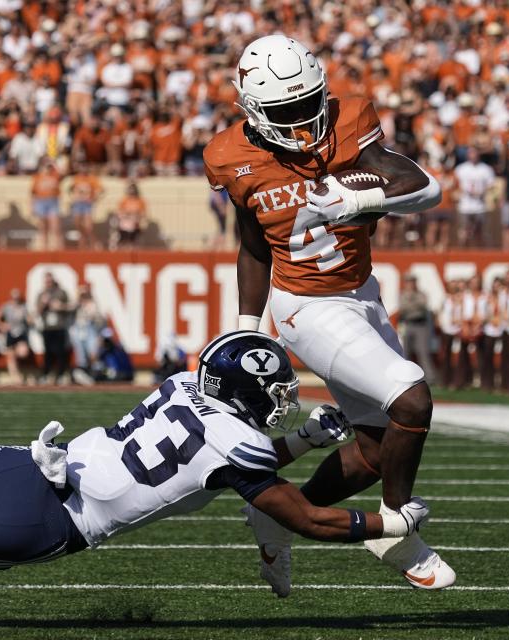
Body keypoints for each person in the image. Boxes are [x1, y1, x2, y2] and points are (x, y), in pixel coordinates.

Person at [0, 332, 430, 590]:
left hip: (31, 466)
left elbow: (216, 458)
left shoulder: (182, 384)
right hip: (48, 526)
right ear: (245, 395)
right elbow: (302, 516)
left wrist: (303, 442)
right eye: (273, 396)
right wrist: (390, 523)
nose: (281, 404)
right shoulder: (237, 449)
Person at [204, 35, 453, 592]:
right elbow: (252, 244)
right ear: (251, 110)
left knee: (371, 452)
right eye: (284, 112)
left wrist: (362, 199)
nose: (300, 122)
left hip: (361, 294)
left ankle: (276, 514)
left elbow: (424, 186)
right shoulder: (229, 156)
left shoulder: (350, 120)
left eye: (306, 103)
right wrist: (247, 328)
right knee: (412, 396)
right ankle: (396, 528)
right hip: (306, 307)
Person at [454, 147, 496, 248]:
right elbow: (454, 184)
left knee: (479, 232)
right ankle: (463, 253)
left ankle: (478, 254)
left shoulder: (486, 169)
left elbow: (492, 185)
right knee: (464, 232)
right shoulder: (461, 169)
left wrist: (481, 192)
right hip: (464, 205)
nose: (473, 156)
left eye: (475, 153)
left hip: (480, 205)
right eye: (471, 153)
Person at [397, 274, 435, 386]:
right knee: (406, 352)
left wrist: (411, 305)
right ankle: (407, 377)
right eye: (408, 282)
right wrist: (414, 305)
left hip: (420, 325)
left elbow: (422, 306)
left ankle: (430, 379)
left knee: (423, 352)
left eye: (412, 281)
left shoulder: (421, 294)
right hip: (407, 324)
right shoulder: (402, 295)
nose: (411, 284)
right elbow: (402, 308)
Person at [0, 288, 34, 385]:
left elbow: (29, 319)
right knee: (11, 357)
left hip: (21, 333)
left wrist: (30, 320)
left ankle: (17, 373)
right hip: (10, 333)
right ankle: (16, 378)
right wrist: (1, 325)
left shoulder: (23, 307)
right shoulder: (7, 306)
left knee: (23, 352)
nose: (15, 299)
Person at [37, 272, 71, 384]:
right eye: (47, 281)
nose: (49, 283)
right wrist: (43, 303)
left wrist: (60, 306)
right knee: (48, 352)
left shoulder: (61, 292)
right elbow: (37, 311)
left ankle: (60, 375)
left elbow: (70, 307)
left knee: (60, 351)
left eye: (50, 281)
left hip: (59, 326)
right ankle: (46, 374)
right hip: (47, 327)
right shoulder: (42, 294)